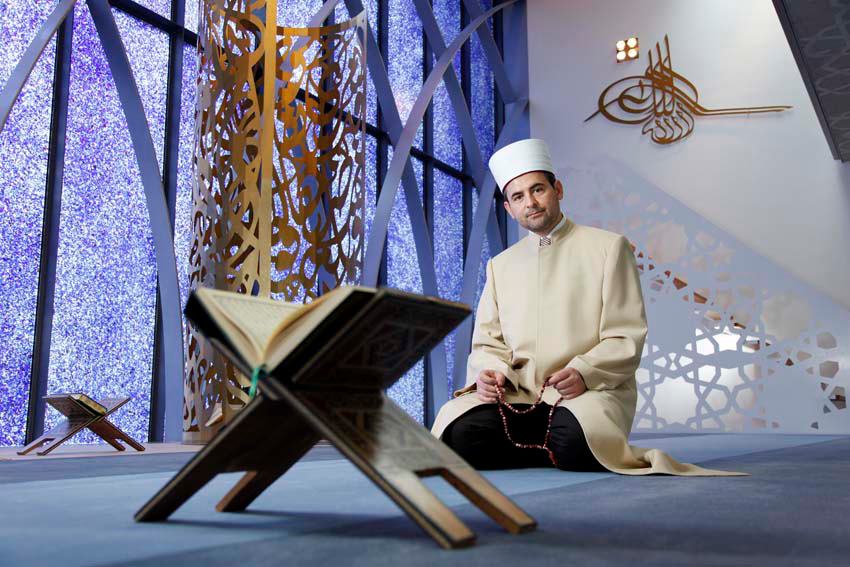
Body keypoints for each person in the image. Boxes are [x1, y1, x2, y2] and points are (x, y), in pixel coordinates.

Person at [431, 139, 742, 476]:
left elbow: (625, 335)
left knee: (575, 441)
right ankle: (547, 447)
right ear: (509, 209)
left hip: (586, 393)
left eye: (538, 190)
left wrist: (583, 372)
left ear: (558, 190)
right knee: (461, 435)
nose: (530, 203)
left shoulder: (609, 248)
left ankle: (544, 445)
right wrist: (490, 374)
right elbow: (488, 342)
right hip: (517, 396)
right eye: (518, 197)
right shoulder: (500, 265)